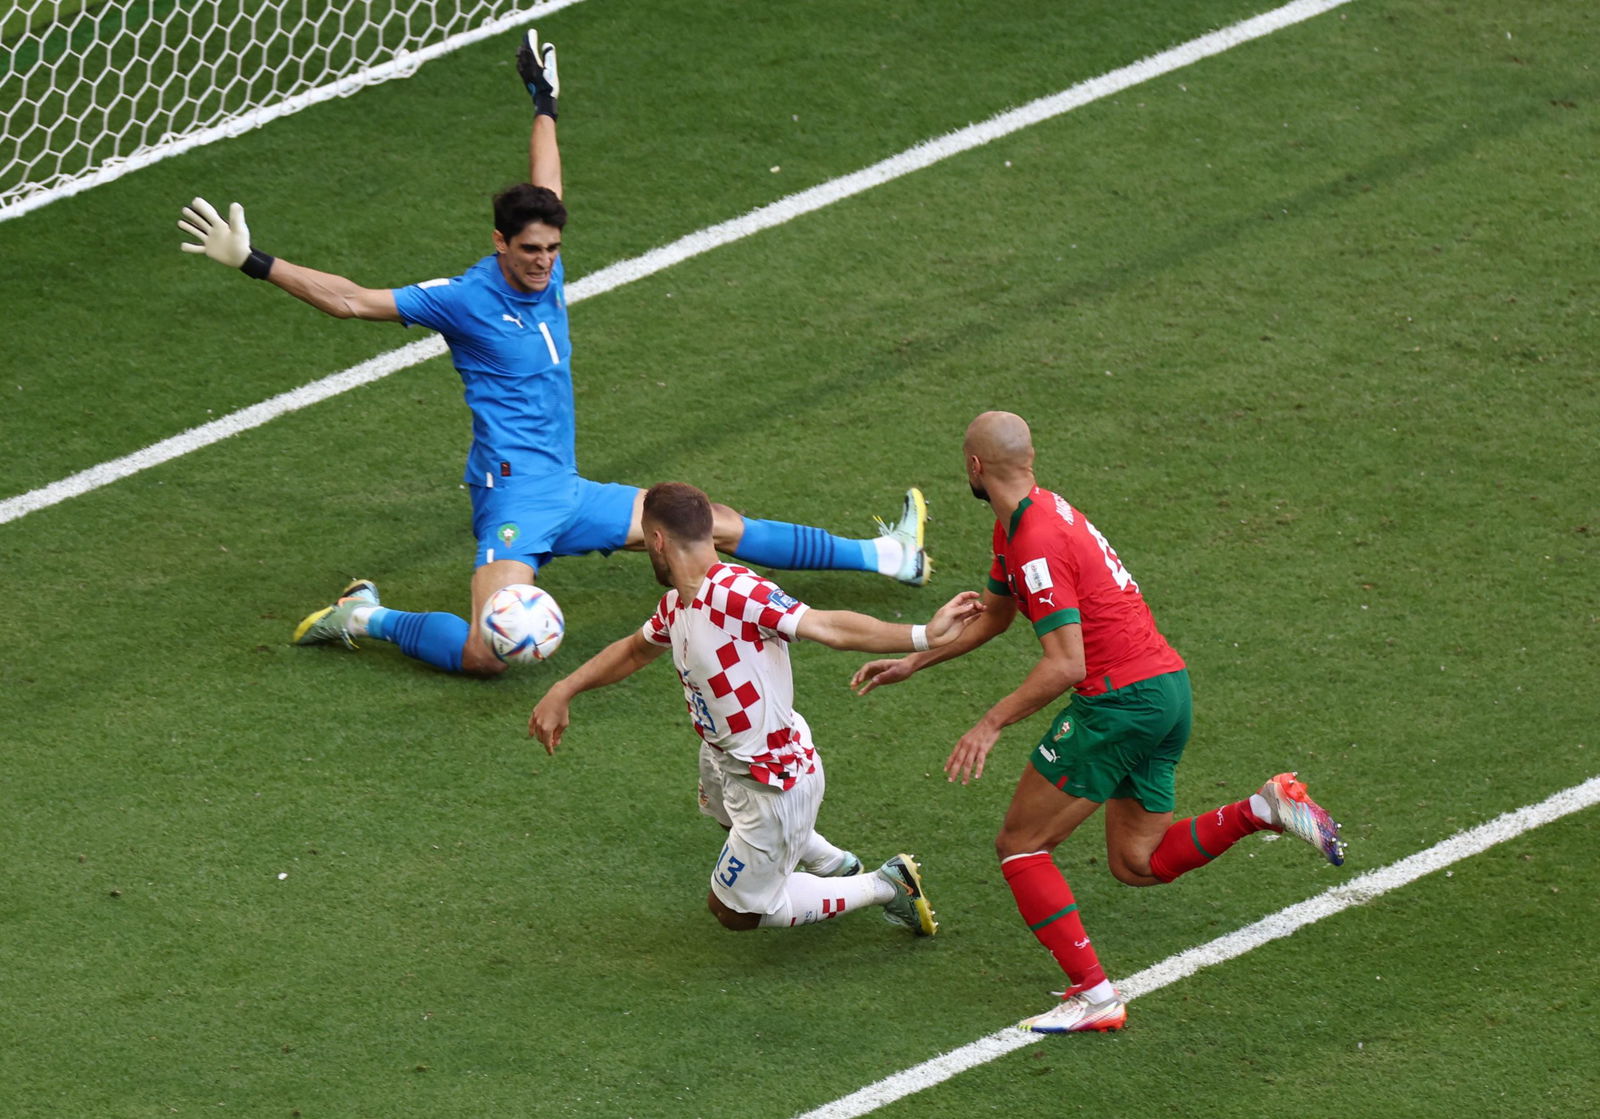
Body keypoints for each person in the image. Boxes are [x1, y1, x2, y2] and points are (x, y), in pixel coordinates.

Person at [176, 30, 929, 679]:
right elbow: (351, 298)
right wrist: (255, 261)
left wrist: (543, 103)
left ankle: (886, 555)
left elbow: (548, 183)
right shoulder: (463, 297)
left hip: (568, 489)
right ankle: (365, 615)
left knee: (715, 523)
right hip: (513, 503)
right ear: (499, 243)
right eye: (530, 249)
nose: (544, 261)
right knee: (484, 655)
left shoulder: (549, 263)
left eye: (553, 249)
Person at [850, 411, 1347, 1033]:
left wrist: (991, 722)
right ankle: (1265, 808)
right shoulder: (1029, 520)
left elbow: (1065, 664)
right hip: (1167, 693)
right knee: (1136, 862)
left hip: (1120, 704)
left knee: (1021, 846)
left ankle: (1095, 996)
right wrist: (916, 661)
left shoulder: (1033, 540)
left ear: (974, 467)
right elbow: (997, 617)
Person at [530, 482, 983, 936]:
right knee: (721, 812)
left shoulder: (735, 592)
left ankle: (886, 884)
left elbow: (826, 625)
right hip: (726, 756)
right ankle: (827, 858)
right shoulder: (677, 605)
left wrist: (926, 635)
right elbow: (633, 650)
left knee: (736, 912)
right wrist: (564, 689)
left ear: (657, 541)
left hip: (774, 781)